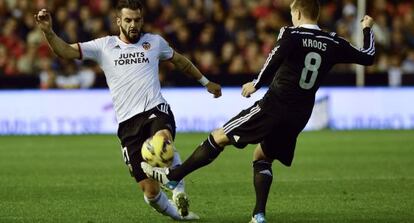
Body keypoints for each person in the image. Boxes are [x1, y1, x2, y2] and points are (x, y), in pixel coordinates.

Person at [141, 0, 375, 222]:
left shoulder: (292, 34)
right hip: (300, 115)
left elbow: (275, 56)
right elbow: (368, 57)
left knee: (219, 136)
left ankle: (173, 178)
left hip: (275, 105)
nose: (291, 18)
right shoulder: (332, 41)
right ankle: (259, 215)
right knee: (262, 157)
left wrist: (256, 83)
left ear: (299, 14)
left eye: (293, 14)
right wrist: (367, 29)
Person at [34, 0, 222, 221]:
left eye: (137, 20)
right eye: (128, 20)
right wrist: (48, 32)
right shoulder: (104, 46)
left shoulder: (154, 42)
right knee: (150, 192)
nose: (134, 24)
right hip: (127, 124)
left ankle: (178, 189)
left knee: (163, 140)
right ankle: (180, 215)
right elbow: (65, 51)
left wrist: (206, 82)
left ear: (142, 20)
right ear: (118, 21)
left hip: (155, 108)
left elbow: (180, 62)